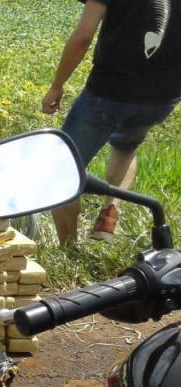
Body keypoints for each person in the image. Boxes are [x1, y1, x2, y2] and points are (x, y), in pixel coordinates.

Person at [42, 0, 180, 245]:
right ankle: (110, 214)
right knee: (126, 146)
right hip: (163, 97)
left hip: (109, 92)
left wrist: (56, 86)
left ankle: (69, 249)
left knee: (63, 169)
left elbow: (83, 36)